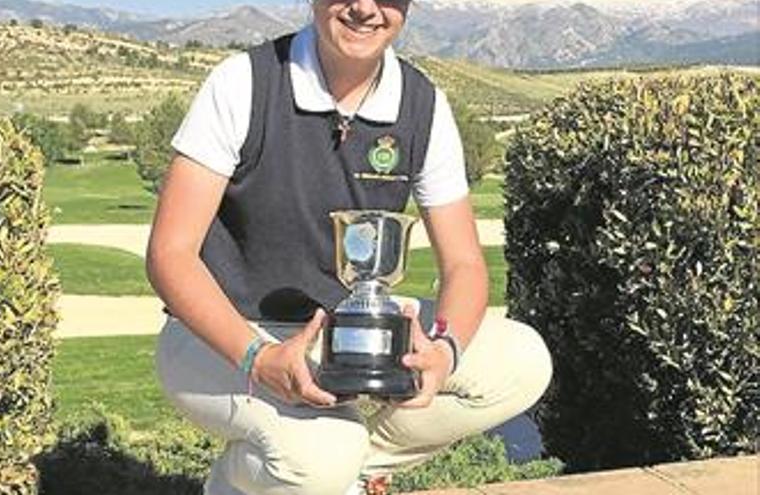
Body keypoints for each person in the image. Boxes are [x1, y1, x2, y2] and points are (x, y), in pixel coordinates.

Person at [147, 1, 552, 493]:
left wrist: (444, 350)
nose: (364, 7)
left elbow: (464, 264)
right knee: (320, 458)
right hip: (223, 334)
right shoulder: (243, 82)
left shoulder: (423, 103)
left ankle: (342, 473)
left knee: (522, 362)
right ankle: (242, 483)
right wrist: (258, 356)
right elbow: (171, 253)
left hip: (348, 334)